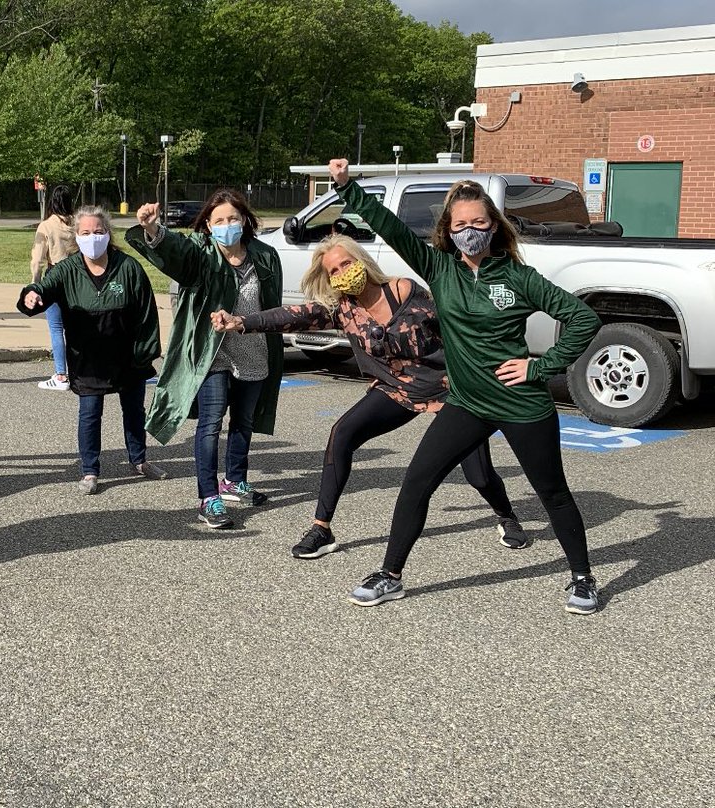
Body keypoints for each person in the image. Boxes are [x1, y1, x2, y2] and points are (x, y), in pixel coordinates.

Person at [326, 158, 603, 614]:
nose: (470, 230)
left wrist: (539, 368)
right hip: (468, 403)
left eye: (478, 222)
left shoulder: (518, 278)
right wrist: (347, 188)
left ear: (494, 226)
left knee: (552, 492)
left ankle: (582, 578)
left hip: (521, 405)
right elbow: (391, 229)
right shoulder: (440, 268)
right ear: (448, 230)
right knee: (417, 481)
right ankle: (390, 575)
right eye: (461, 224)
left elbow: (582, 318)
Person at [212, 234, 527, 559]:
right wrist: (242, 322)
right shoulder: (343, 309)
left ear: (361, 261)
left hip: (450, 390)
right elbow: (293, 315)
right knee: (342, 434)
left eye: (346, 263)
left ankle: (506, 515)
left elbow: (457, 325)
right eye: (334, 271)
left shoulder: (404, 291)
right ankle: (322, 527)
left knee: (478, 474)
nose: (343, 273)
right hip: (396, 389)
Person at [127, 190, 284, 530]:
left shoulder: (266, 256)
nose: (227, 226)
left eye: (233, 219)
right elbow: (176, 253)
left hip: (253, 350)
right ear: (208, 227)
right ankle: (209, 496)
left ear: (245, 221)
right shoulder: (201, 254)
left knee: (244, 422)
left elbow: (272, 305)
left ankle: (234, 482)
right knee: (211, 423)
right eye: (219, 221)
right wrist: (154, 230)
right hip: (211, 352)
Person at [17, 205, 166, 494]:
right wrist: (32, 295)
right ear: (76, 236)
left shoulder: (128, 267)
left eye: (98, 231)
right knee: (90, 413)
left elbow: (147, 313)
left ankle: (140, 460)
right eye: (85, 232)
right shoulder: (66, 269)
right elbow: (42, 291)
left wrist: (146, 351)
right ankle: (90, 470)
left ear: (108, 234)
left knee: (134, 409)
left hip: (127, 356)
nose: (92, 237)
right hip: (87, 359)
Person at [29, 185, 77, 391]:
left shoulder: (47, 226)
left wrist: (36, 283)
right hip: (78, 276)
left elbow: (37, 258)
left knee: (56, 328)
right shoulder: (77, 223)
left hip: (55, 274)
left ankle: (60, 374)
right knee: (76, 327)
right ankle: (79, 370)